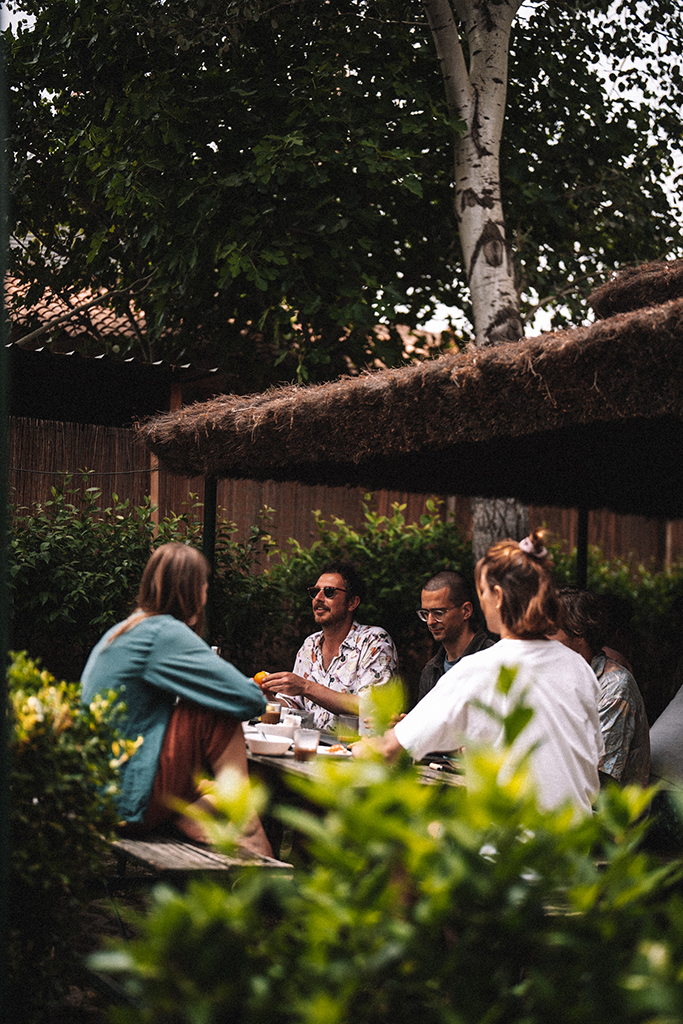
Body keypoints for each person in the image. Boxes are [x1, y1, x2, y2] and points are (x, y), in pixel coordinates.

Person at [354, 531, 604, 816]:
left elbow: (390, 750)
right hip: (575, 843)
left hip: (509, 848)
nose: (482, 603)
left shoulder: (480, 668)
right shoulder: (579, 667)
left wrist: (357, 750)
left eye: (482, 592)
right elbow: (590, 757)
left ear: (497, 596)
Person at [81, 543, 272, 856]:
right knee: (212, 712)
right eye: (205, 585)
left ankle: (197, 813)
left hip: (101, 791)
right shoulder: (164, 632)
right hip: (127, 798)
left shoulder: (128, 628)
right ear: (194, 590)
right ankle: (248, 829)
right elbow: (249, 701)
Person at [260, 560, 397, 731]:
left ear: (352, 603)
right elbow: (293, 706)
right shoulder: (309, 645)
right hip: (311, 748)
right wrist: (266, 698)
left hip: (358, 753)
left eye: (329, 592)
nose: (318, 598)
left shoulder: (374, 641)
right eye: (315, 591)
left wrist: (305, 687)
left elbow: (372, 707)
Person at [553, 587, 650, 787]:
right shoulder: (559, 676)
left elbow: (598, 778)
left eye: (550, 629)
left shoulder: (615, 687)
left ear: (578, 632)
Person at [416, 570, 495, 704]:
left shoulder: (492, 658)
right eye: (425, 613)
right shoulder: (431, 671)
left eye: (438, 613)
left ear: (466, 611)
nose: (430, 621)